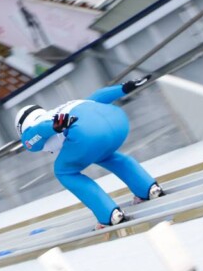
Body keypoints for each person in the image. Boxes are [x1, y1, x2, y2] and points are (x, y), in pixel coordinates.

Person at [14, 75, 164, 228]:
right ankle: (148, 188)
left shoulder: (34, 128)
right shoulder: (65, 107)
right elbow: (98, 96)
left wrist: (54, 127)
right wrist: (125, 87)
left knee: (64, 172)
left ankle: (108, 215)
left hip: (87, 134)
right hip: (118, 122)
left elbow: (31, 138)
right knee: (106, 156)